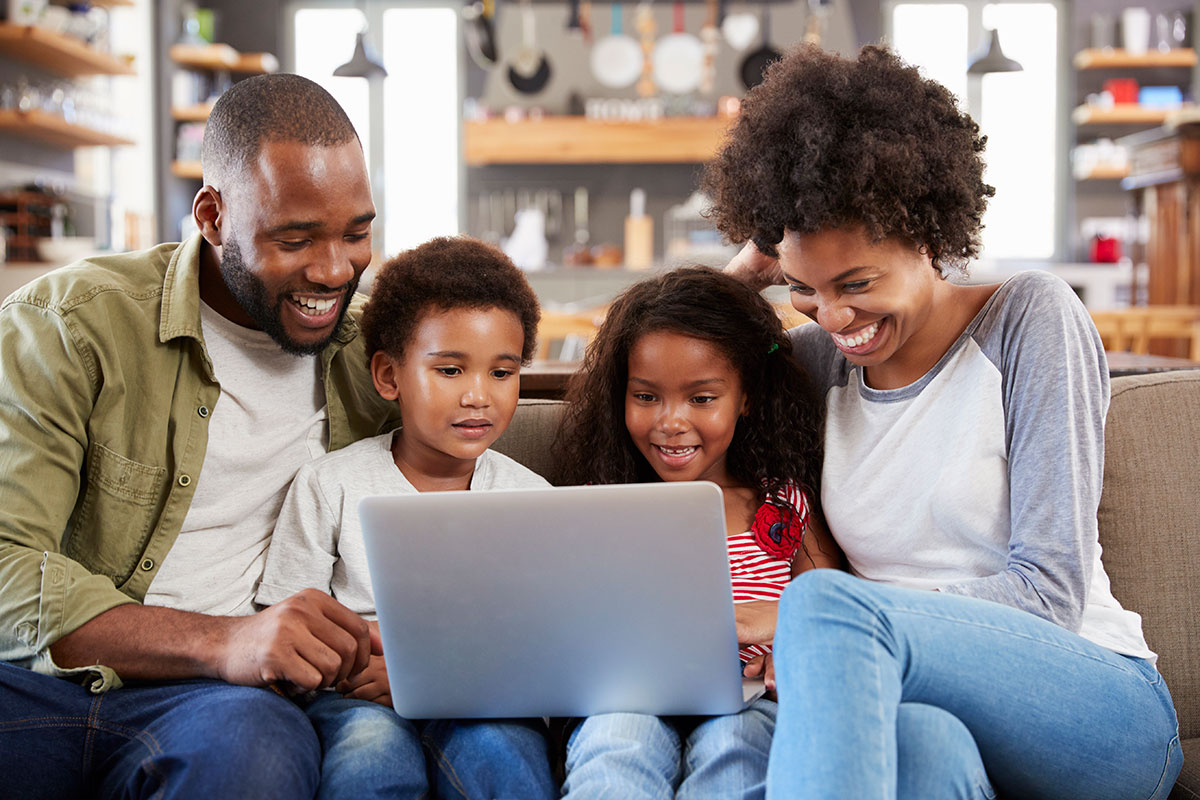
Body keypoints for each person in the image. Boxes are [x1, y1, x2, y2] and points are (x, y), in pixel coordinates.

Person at [702, 44, 1184, 799]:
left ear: (926, 234)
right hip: (911, 700)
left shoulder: (1029, 320)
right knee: (924, 749)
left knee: (822, 606)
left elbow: (1049, 592)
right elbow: (670, 350)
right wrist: (764, 246)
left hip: (1093, 702)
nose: (835, 317)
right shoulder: (817, 362)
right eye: (803, 288)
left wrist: (829, 621)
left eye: (857, 283)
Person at [0, 74, 404, 798]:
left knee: (251, 759)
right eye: (295, 237)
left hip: (222, 710)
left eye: (356, 232)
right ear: (213, 216)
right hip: (31, 682)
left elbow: (446, 508)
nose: (335, 269)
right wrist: (226, 641)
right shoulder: (71, 325)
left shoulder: (376, 357)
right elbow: (4, 560)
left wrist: (398, 651)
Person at [256, 235, 557, 800]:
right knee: (372, 760)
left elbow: (543, 640)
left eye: (502, 373)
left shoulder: (532, 496)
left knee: (505, 760)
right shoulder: (331, 483)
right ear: (389, 376)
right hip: (357, 698)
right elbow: (291, 623)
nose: (478, 397)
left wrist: (424, 670)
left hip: (485, 700)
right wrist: (378, 659)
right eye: (450, 370)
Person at [554, 266, 842, 800]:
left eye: (702, 399)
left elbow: (830, 605)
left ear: (746, 398)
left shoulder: (782, 502)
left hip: (750, 702)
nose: (671, 421)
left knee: (735, 749)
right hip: (629, 700)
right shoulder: (598, 506)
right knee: (617, 746)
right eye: (646, 397)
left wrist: (793, 646)